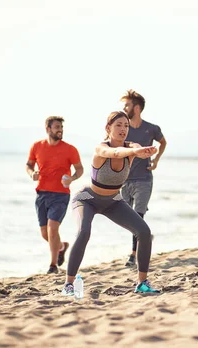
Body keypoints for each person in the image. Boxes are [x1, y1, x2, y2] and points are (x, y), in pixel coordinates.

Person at [62, 111, 160, 295]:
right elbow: (114, 152)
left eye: (126, 126)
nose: (123, 129)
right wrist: (135, 151)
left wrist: (142, 150)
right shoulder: (101, 148)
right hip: (87, 199)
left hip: (113, 201)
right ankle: (68, 284)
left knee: (144, 232)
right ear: (108, 128)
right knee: (84, 232)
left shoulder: (131, 147)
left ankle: (142, 283)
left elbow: (133, 147)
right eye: (118, 125)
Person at [26, 116, 83, 274]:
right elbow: (29, 165)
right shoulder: (37, 146)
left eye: (61, 127)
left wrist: (72, 178)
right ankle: (61, 247)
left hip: (60, 194)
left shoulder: (70, 149)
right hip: (42, 194)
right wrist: (32, 174)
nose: (60, 130)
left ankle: (53, 266)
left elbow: (80, 169)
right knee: (45, 233)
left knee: (52, 229)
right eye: (57, 127)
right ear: (48, 129)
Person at [120, 90, 167, 267]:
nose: (124, 109)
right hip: (125, 180)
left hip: (144, 179)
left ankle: (133, 255)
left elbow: (163, 142)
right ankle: (145, 234)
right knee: (126, 218)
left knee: (136, 216)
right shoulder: (123, 129)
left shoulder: (151, 129)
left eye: (127, 105)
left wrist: (156, 160)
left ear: (137, 108)